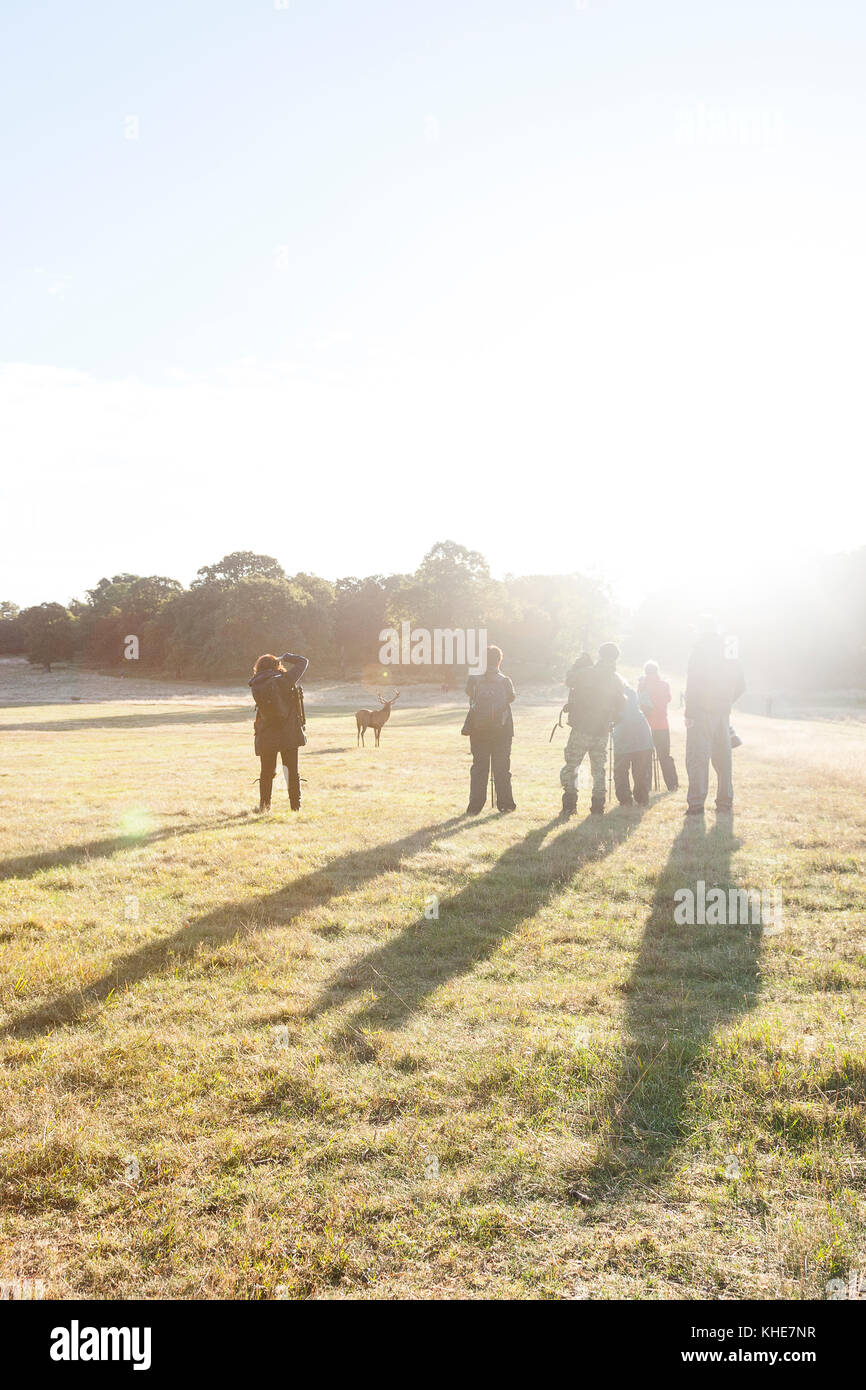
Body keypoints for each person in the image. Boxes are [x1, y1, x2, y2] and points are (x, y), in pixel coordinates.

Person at [559, 642, 626, 819]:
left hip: (582, 727)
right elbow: (622, 705)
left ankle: (569, 805)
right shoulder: (616, 679)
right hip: (602, 730)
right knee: (599, 770)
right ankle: (598, 806)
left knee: (572, 767)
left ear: (599, 654)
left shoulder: (587, 673)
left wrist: (579, 664)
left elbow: (569, 680)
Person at [684, 629, 745, 815]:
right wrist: (725, 702)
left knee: (698, 759)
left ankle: (696, 805)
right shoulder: (729, 651)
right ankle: (725, 804)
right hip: (723, 713)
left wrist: (690, 713)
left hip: (702, 712)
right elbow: (741, 685)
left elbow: (693, 683)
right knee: (724, 760)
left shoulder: (700, 650)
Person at [249, 651, 309, 812]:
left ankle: (264, 807)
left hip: (266, 733)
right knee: (291, 771)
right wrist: (285, 657)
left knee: (266, 772)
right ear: (276, 665)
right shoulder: (284, 680)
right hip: (288, 733)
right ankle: (295, 807)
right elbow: (303, 661)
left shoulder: (255, 684)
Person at [463, 644, 516, 814]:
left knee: (479, 767)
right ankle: (506, 804)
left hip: (479, 729)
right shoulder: (506, 681)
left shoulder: (473, 680)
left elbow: (469, 696)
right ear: (499, 660)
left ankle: (475, 807)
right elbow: (511, 698)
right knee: (502, 768)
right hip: (502, 730)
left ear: (483, 661)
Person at [637, 660, 679, 790]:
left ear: (645, 672)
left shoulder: (642, 686)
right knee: (665, 756)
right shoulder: (664, 685)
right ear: (657, 671)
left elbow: (638, 702)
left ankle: (646, 786)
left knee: (645, 758)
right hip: (662, 726)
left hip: (646, 726)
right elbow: (668, 699)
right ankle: (672, 785)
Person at [612, 686, 654, 806]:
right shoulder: (631, 691)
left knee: (621, 770)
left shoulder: (610, 692)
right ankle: (642, 798)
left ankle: (625, 800)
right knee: (641, 769)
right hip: (643, 733)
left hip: (623, 733)